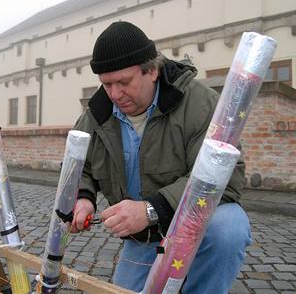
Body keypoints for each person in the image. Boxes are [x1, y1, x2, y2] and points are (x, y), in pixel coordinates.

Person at [70, 21, 252, 293]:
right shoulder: (97, 113)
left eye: (124, 82)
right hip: (144, 240)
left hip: (195, 228)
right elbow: (77, 166)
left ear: (152, 70)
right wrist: (83, 197)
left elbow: (228, 175)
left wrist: (151, 209)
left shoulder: (200, 103)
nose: (115, 95)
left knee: (229, 227)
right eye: (106, 84)